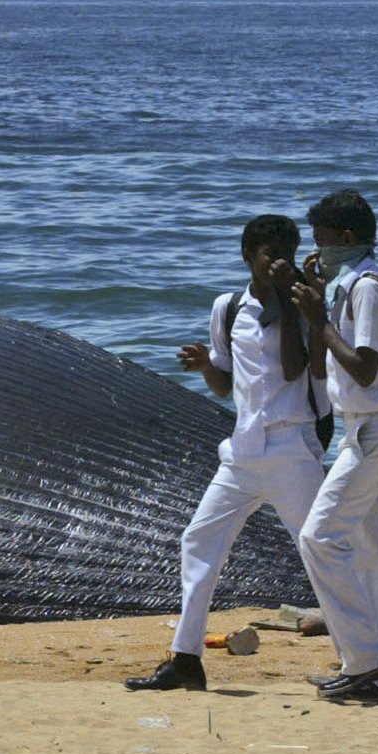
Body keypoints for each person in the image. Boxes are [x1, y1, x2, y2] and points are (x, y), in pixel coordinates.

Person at [126, 214, 330, 691]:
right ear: (247, 257)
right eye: (269, 254)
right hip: (241, 450)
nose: (279, 261)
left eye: (287, 252)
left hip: (291, 447)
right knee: (198, 542)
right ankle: (185, 660)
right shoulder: (229, 306)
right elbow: (224, 384)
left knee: (320, 550)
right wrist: (203, 367)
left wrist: (285, 299)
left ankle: (360, 659)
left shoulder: (302, 305)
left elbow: (294, 368)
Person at [294, 189, 378, 703]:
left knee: (319, 539)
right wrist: (316, 297)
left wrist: (319, 321)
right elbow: (321, 361)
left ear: (346, 238)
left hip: (373, 431)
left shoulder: (368, 289)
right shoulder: (346, 287)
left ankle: (366, 659)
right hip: (366, 429)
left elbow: (366, 366)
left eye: (323, 240)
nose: (318, 249)